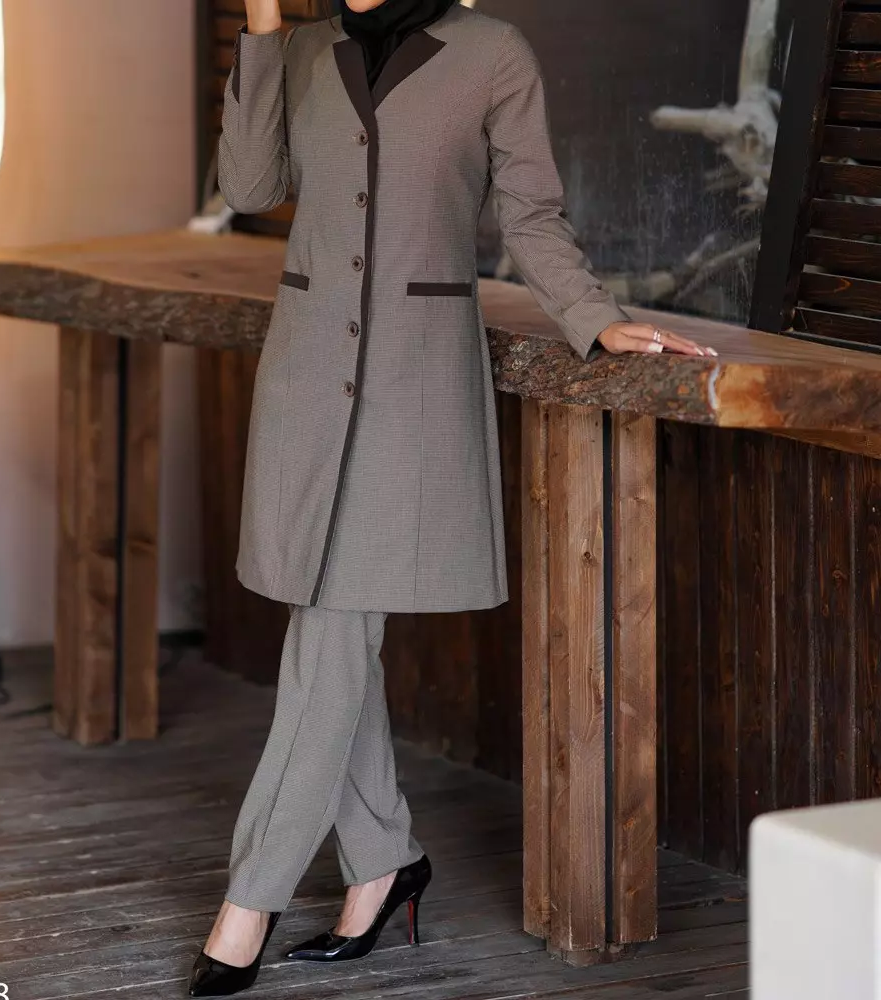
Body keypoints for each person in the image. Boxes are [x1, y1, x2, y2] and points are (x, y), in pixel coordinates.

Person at [189, 0, 716, 994]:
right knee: (334, 625)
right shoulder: (301, 50)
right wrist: (257, 30)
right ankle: (385, 860)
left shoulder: (490, 52)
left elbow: (529, 211)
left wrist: (594, 318)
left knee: (331, 628)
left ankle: (248, 900)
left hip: (412, 384)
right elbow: (251, 186)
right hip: (308, 378)